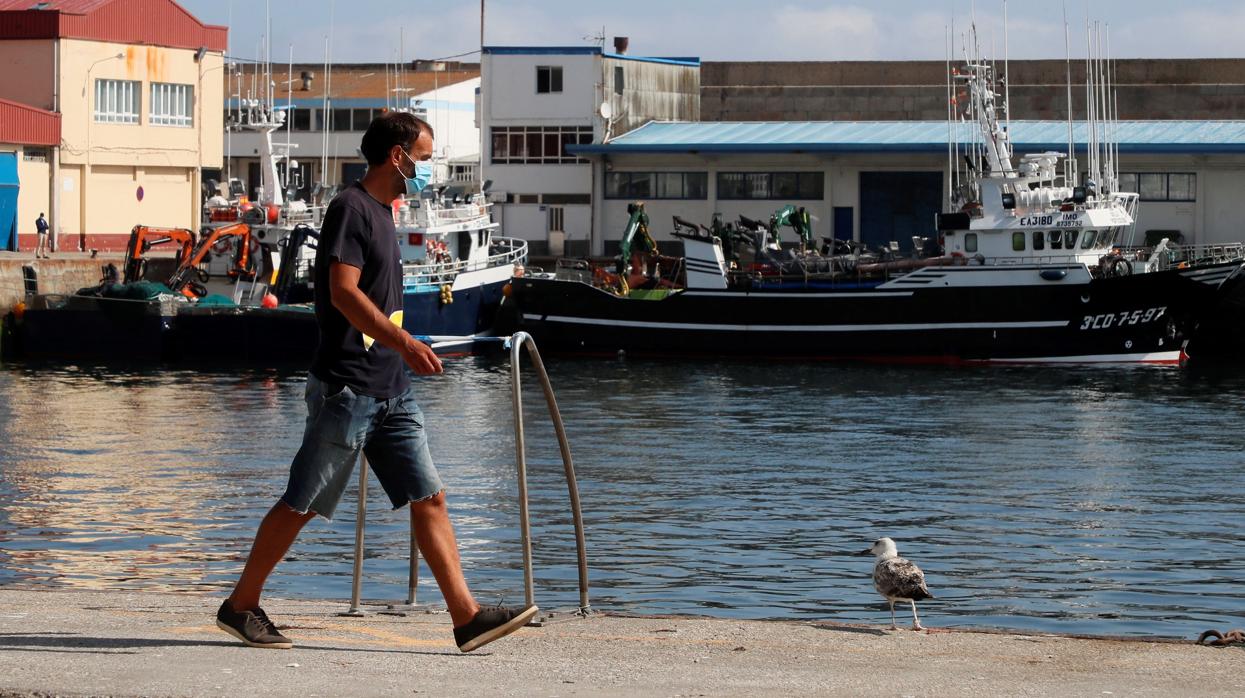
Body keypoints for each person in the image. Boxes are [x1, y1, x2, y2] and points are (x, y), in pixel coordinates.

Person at [216, 112, 537, 652]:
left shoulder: (386, 212)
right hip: (348, 387)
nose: (427, 170)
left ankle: (467, 618)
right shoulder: (351, 208)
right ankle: (240, 606)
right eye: (425, 159)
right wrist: (405, 343)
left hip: (391, 392)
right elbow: (343, 292)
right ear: (397, 155)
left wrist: (399, 353)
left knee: (429, 497)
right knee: (303, 501)